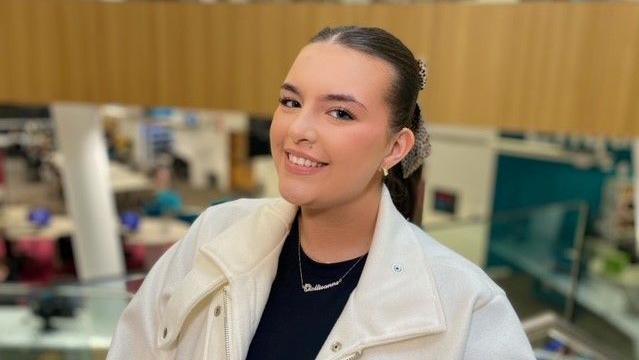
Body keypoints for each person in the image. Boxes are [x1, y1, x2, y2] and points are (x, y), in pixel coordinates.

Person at [107, 26, 535, 359]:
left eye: (340, 113)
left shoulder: (466, 306)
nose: (298, 130)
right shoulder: (215, 235)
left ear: (395, 147)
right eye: (291, 102)